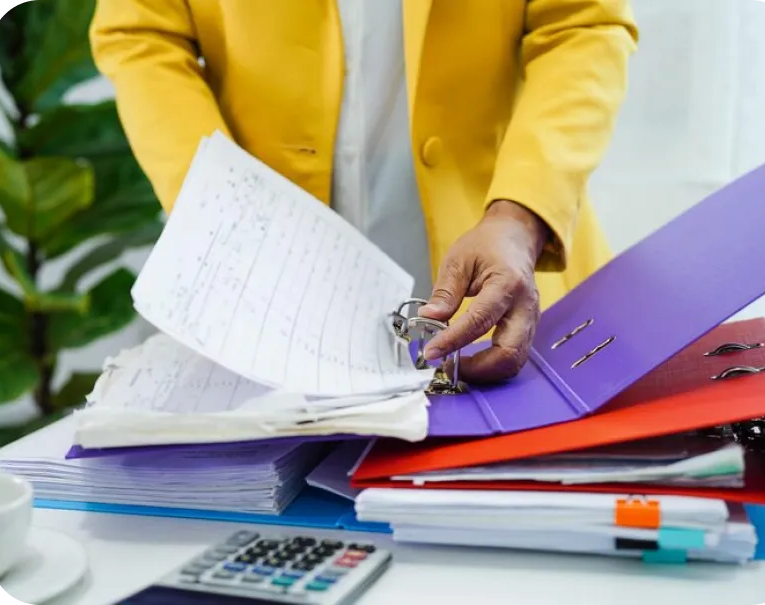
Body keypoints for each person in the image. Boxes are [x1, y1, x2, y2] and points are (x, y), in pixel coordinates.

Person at [89, 0, 638, 383]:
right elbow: (140, 31)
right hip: (261, 300)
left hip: (505, 278)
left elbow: (583, 24)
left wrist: (522, 213)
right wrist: (224, 214)